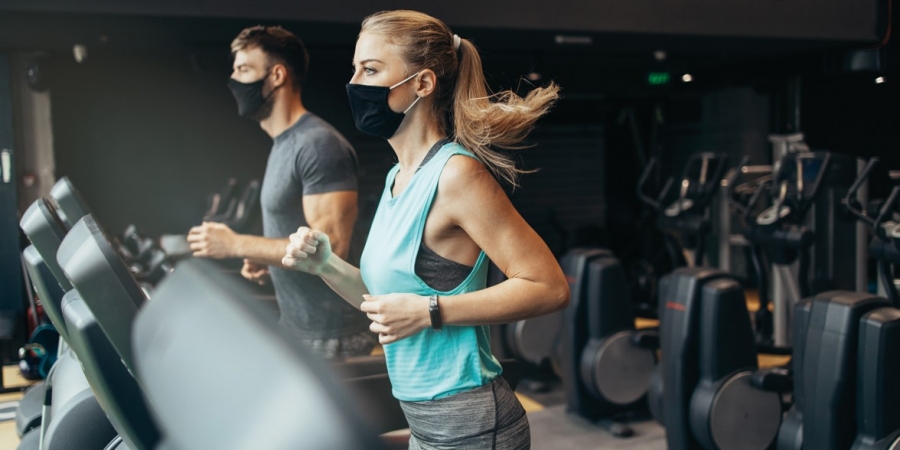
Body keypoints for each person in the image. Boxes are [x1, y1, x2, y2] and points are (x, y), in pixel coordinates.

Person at [282, 10, 569, 449]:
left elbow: (549, 286)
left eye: (372, 69)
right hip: (425, 423)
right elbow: (384, 303)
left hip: (473, 425)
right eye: (355, 69)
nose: (356, 82)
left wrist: (431, 310)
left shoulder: (456, 175)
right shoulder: (397, 176)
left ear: (422, 84)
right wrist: (324, 264)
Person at [187, 25, 374, 359]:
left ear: (276, 75)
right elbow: (297, 238)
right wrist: (265, 260)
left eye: (243, 70)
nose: (234, 81)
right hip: (300, 328)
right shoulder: (284, 143)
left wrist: (235, 244)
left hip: (332, 336)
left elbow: (332, 248)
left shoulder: (317, 144)